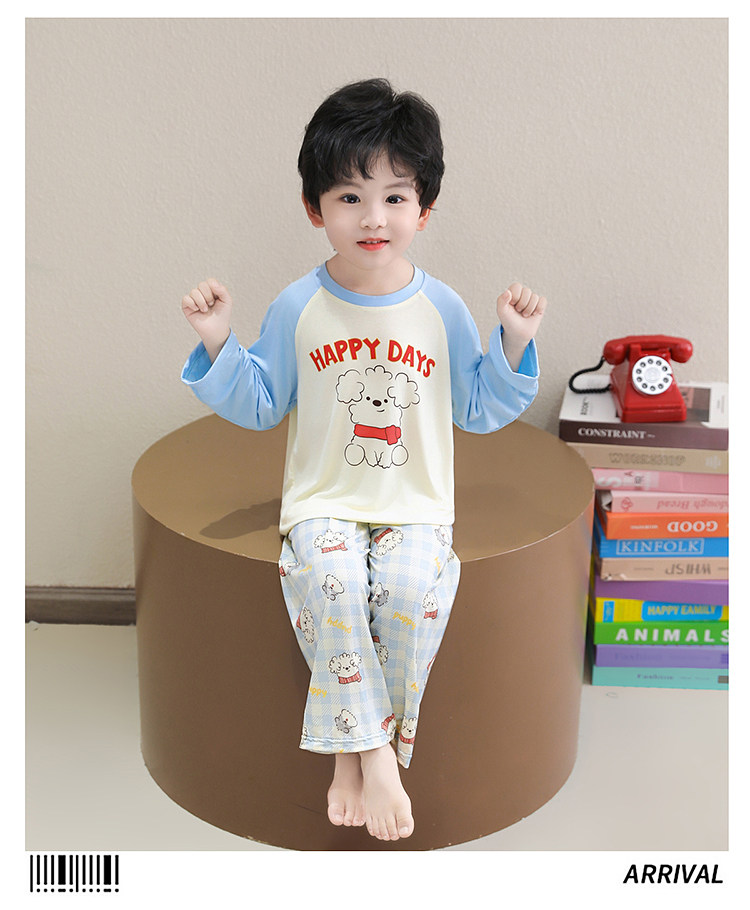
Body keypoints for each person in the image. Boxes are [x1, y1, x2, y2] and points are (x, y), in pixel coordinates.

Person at [180, 78, 547, 842]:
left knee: (410, 591)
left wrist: (512, 343)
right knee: (336, 582)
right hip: (323, 500)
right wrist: (219, 341)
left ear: (424, 208)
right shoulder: (298, 305)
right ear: (315, 209)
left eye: (394, 197)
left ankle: (351, 756)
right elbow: (261, 402)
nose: (373, 217)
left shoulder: (442, 308)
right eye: (350, 197)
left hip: (416, 504)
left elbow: (479, 408)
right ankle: (379, 754)